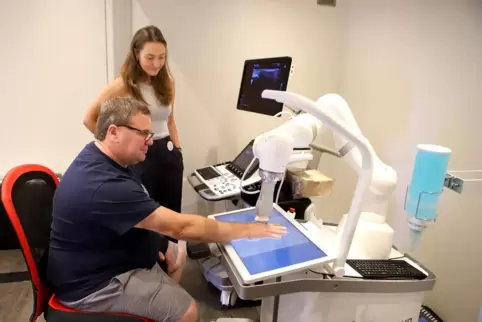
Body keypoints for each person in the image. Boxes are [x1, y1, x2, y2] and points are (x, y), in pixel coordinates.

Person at [47, 97, 286, 322]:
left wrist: (159, 244)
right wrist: (247, 231)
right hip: (94, 286)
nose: (150, 141)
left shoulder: (101, 157)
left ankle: (159, 305)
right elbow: (182, 228)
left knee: (175, 251)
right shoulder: (105, 185)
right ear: (114, 132)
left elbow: (138, 220)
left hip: (103, 259)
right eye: (143, 133)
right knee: (188, 311)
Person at [83, 25, 184, 224]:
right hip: (140, 157)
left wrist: (178, 151)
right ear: (137, 54)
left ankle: (173, 254)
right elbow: (89, 118)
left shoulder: (167, 82)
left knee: (172, 218)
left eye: (162, 57)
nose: (156, 64)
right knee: (146, 219)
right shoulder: (124, 84)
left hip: (169, 155)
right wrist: (116, 150)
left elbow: (170, 120)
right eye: (150, 57)